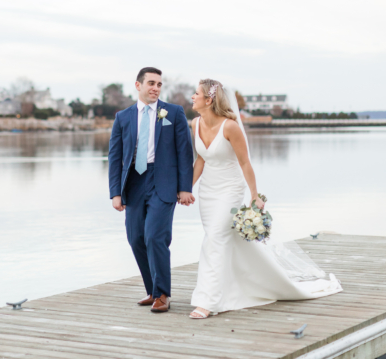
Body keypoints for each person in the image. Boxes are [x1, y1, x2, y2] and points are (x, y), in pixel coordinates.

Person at [188, 79, 343, 319]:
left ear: (209, 100)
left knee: (215, 240)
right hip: (207, 191)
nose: (192, 97)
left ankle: (208, 301)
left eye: (195, 93)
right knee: (215, 238)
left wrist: (253, 196)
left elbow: (245, 163)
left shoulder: (230, 127)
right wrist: (187, 188)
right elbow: (200, 160)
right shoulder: (195, 123)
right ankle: (244, 284)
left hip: (230, 189)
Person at [107, 67, 194, 313]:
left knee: (155, 236)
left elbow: (184, 152)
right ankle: (152, 290)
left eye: (159, 84)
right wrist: (115, 192)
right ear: (138, 85)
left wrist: (184, 188)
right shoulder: (122, 117)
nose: (156, 88)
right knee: (135, 238)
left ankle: (163, 294)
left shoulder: (174, 113)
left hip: (163, 181)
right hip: (133, 182)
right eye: (151, 83)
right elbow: (115, 157)